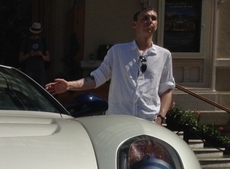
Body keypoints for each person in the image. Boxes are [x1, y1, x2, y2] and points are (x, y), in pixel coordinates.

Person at [45, 7, 174, 125]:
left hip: (149, 121)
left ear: (157, 25)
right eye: (144, 18)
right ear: (134, 24)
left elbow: (166, 89)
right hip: (119, 121)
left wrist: (160, 117)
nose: (149, 21)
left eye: (153, 18)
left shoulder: (164, 55)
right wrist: (69, 85)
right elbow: (96, 79)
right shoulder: (118, 51)